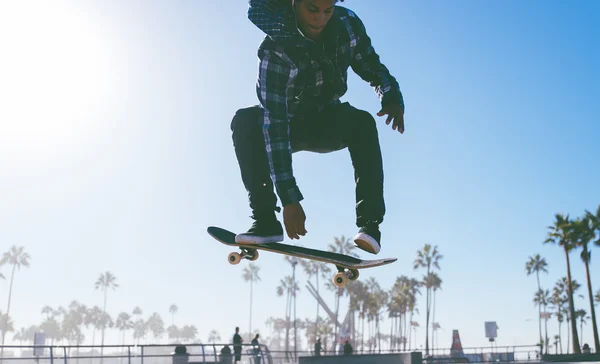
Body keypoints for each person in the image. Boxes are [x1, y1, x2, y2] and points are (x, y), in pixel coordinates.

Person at [231, 0, 405, 255]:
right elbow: (275, 126)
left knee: (363, 123)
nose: (320, 20)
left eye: (327, 11)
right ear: (294, 4)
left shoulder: (347, 25)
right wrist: (289, 198)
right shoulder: (276, 52)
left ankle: (370, 225)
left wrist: (390, 95)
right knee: (244, 122)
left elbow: (371, 66)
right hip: (286, 124)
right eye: (312, 10)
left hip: (325, 120)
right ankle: (265, 219)